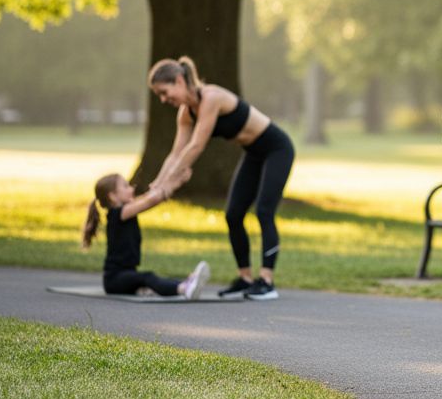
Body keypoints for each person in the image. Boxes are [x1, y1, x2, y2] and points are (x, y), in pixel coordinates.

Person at [147, 56, 294, 301]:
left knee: (264, 211)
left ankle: (266, 281)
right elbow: (176, 154)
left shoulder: (211, 97)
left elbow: (196, 146)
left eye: (165, 91)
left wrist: (168, 184)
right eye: (159, 95)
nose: (164, 99)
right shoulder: (185, 114)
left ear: (180, 81)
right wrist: (158, 184)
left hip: (277, 149)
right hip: (254, 153)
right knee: (233, 214)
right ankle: (245, 278)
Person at [82, 172, 210, 298]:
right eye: (126, 186)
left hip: (127, 274)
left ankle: (187, 283)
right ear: (113, 197)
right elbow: (150, 200)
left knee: (152, 279)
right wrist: (167, 186)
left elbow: (148, 197)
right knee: (148, 277)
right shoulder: (118, 214)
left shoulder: (126, 210)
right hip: (115, 279)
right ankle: (183, 289)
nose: (131, 188)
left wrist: (177, 182)